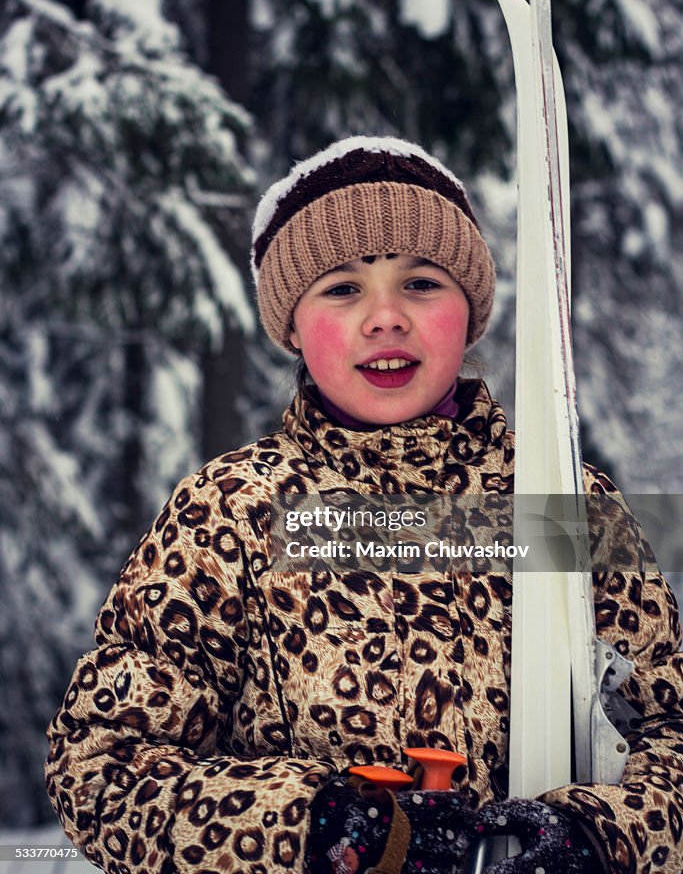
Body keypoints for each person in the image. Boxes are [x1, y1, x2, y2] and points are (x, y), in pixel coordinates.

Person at [46, 136, 683, 874]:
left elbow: (668, 728)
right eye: (341, 288)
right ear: (289, 325)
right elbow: (100, 765)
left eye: (420, 282)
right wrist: (320, 831)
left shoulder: (562, 506)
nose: (385, 316)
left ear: (470, 312)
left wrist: (602, 840)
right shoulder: (231, 510)